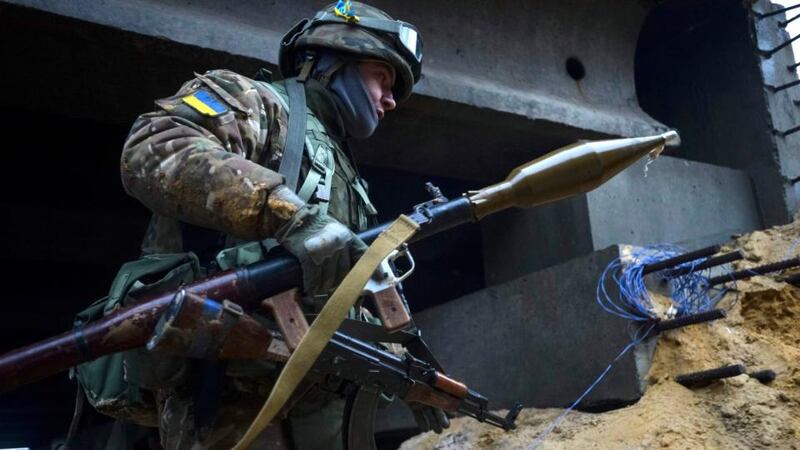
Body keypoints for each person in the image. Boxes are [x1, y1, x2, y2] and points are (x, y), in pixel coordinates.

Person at [116, 1, 424, 448]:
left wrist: (396, 348)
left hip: (326, 400)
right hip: (232, 396)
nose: (390, 99)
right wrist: (290, 215)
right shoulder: (257, 101)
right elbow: (153, 149)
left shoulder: (343, 168)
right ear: (335, 60)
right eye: (384, 77)